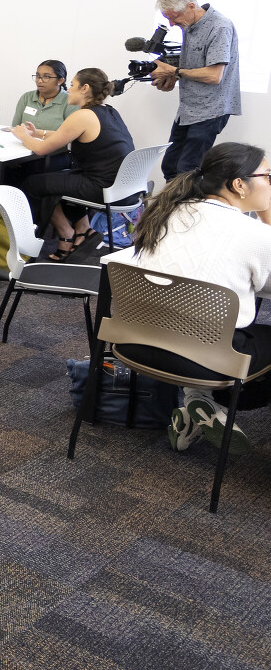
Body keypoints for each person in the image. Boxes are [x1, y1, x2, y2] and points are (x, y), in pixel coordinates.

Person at [105, 143, 271, 453]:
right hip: (207, 361)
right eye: (268, 176)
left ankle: (197, 403)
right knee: (238, 334)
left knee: (200, 322)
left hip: (135, 344)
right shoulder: (255, 234)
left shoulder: (166, 211)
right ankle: (210, 401)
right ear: (239, 184)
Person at [15, 68, 134, 260]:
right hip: (121, 187)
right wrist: (36, 133)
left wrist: (22, 136)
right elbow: (65, 134)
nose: (68, 89)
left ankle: (65, 233)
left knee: (33, 183)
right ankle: (83, 230)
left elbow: (41, 150)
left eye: (72, 85)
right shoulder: (108, 112)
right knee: (56, 179)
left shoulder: (83, 115)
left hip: (101, 187)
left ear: (85, 88)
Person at [150, 0, 242, 181]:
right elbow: (195, 64)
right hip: (188, 109)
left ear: (191, 6)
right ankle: (173, 200)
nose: (171, 23)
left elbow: (214, 75)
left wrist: (174, 71)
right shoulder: (189, 25)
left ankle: (187, 201)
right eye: (167, 18)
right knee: (170, 166)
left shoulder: (219, 27)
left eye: (174, 17)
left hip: (210, 109)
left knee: (188, 170)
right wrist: (171, 77)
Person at [0, 60, 76, 190]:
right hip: (22, 149)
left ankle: (24, 201)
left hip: (54, 154)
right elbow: (16, 128)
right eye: (37, 76)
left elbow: (68, 137)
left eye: (46, 77)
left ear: (60, 80)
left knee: (32, 168)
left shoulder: (69, 101)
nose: (39, 81)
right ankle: (4, 201)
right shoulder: (27, 97)